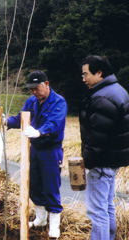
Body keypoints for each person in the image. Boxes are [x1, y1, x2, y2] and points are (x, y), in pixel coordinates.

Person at [4, 71, 67, 238]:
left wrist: (40, 132)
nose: (34, 91)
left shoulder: (58, 101)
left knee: (51, 186)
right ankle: (40, 219)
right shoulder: (31, 101)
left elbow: (54, 122)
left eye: (36, 88)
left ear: (46, 84)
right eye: (31, 88)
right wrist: (6, 121)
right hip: (34, 150)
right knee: (34, 184)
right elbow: (20, 119)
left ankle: (54, 225)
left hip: (51, 150)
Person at [79, 55, 129, 240]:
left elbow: (97, 137)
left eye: (85, 74)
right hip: (112, 160)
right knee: (107, 205)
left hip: (101, 161)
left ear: (99, 73)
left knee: (96, 210)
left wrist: (88, 162)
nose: (83, 79)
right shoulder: (118, 91)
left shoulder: (102, 97)